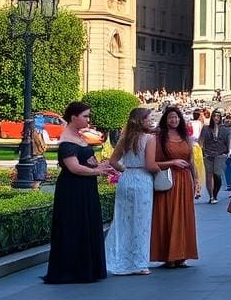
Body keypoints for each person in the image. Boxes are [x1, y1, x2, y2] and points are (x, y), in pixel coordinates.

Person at [44, 102, 114, 284]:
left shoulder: (79, 136)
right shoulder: (66, 139)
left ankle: (87, 269)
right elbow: (74, 168)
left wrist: (102, 166)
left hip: (86, 187)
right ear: (74, 117)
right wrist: (97, 171)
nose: (88, 119)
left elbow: (88, 160)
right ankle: (73, 271)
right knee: (74, 225)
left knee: (87, 223)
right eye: (85, 116)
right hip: (72, 189)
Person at [105, 107, 160, 275]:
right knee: (141, 222)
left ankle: (118, 257)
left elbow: (113, 161)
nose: (151, 121)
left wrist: (126, 169)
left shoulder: (124, 139)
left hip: (126, 178)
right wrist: (162, 169)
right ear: (141, 120)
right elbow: (150, 165)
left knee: (123, 220)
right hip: (142, 179)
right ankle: (139, 263)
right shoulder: (149, 139)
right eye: (149, 118)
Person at [151, 105, 199, 269]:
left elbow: (190, 160)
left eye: (176, 117)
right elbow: (152, 163)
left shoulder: (185, 136)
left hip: (184, 180)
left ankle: (182, 254)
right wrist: (172, 162)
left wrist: (196, 179)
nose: (174, 120)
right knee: (169, 215)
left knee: (184, 216)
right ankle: (169, 255)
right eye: (171, 117)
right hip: (168, 179)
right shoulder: (159, 137)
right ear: (166, 119)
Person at [199, 109, 231, 204]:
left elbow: (228, 141)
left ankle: (215, 193)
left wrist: (227, 152)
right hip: (208, 154)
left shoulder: (225, 129)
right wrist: (202, 152)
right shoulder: (205, 128)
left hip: (220, 155)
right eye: (214, 116)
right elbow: (201, 141)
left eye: (218, 116)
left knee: (217, 176)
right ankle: (211, 196)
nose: (216, 118)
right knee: (209, 175)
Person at [188, 108, 205, 199]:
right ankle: (198, 189)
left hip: (190, 147)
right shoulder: (199, 124)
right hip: (197, 147)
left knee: (193, 169)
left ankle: (195, 188)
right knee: (198, 169)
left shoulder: (189, 123)